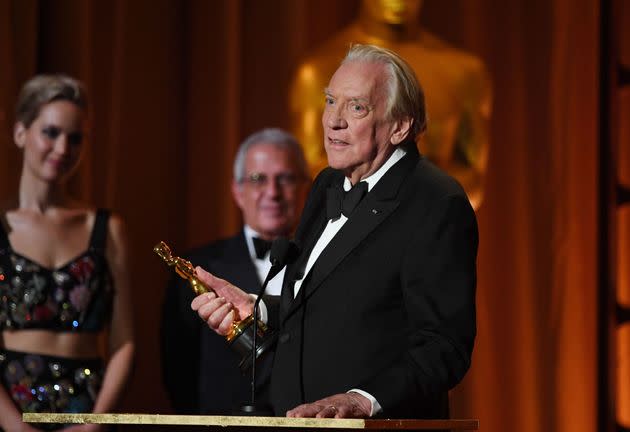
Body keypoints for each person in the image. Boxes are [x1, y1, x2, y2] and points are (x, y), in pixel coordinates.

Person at [192, 44, 478, 419]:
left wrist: (362, 400)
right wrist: (258, 309)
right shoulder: (328, 184)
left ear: (401, 126)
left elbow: (443, 345)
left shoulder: (435, 202)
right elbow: (335, 309)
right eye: (330, 101)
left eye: (356, 107)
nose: (332, 121)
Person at [0, 75, 134, 431]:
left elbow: (124, 343)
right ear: (20, 133)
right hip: (9, 409)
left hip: (86, 407)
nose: (63, 148)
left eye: (75, 138)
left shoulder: (107, 229)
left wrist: (95, 423)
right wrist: (14, 426)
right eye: (51, 133)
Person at [161, 128, 309, 414]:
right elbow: (178, 371)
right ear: (237, 191)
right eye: (257, 179)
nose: (273, 192)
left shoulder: (328, 265)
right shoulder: (198, 268)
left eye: (286, 178)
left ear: (306, 186)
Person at [289, 0, 492, 209]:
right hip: (354, 234)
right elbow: (309, 177)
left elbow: (474, 179)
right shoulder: (317, 70)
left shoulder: (464, 72)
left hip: (434, 231)